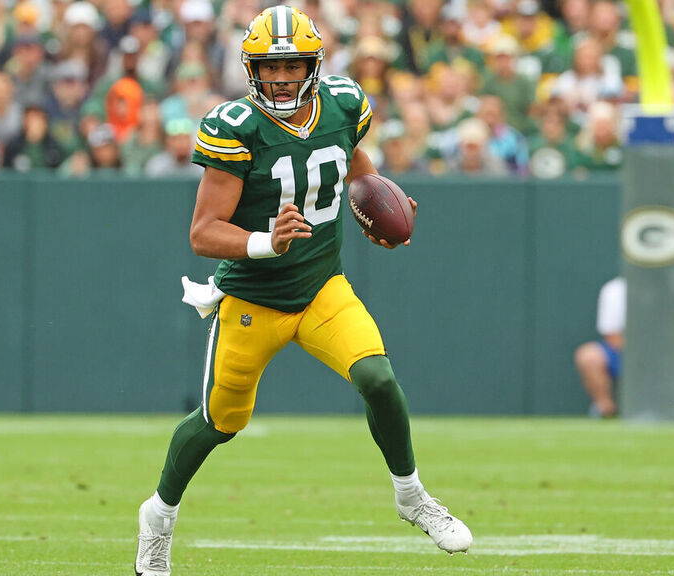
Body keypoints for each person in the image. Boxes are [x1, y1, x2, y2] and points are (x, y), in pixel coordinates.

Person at [134, 7, 472, 575]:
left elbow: (356, 167)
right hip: (252, 301)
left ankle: (412, 496)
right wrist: (268, 241)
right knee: (219, 422)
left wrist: (381, 205)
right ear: (251, 69)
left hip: (320, 287)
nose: (283, 77)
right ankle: (158, 520)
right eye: (271, 66)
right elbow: (203, 232)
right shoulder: (235, 125)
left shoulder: (342, 104)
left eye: (293, 64)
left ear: (314, 65)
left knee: (378, 378)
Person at [574, 276, 625, 418]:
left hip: (657, 355)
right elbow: (613, 336)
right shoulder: (615, 289)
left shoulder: (665, 287)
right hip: (622, 352)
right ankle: (606, 410)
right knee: (588, 356)